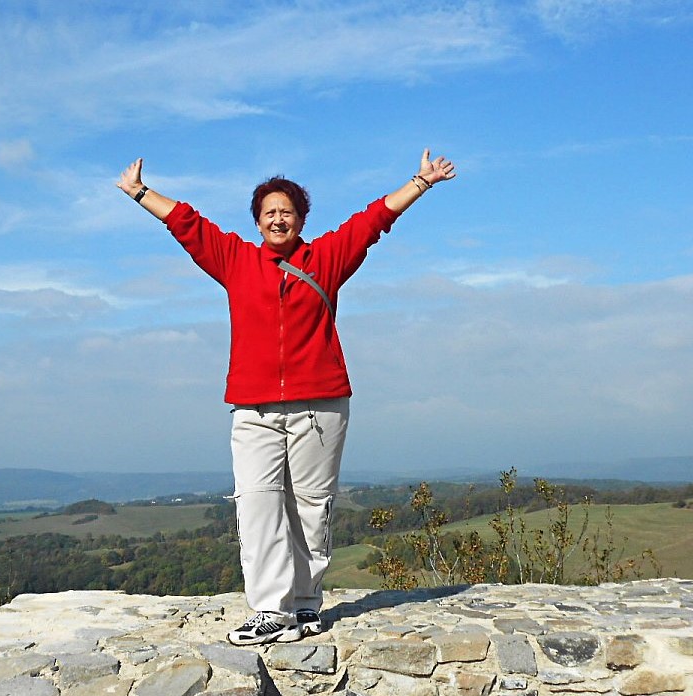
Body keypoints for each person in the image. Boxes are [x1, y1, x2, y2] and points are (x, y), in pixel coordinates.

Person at [116, 149, 456, 645]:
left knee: (310, 507)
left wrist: (420, 183)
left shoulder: (327, 258)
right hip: (253, 407)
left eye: (288, 211)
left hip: (320, 405)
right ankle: (272, 610)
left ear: (301, 220)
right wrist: (141, 192)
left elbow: (373, 221)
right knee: (257, 504)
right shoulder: (235, 260)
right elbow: (189, 225)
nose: (279, 218)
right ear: (258, 221)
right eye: (270, 211)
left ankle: (304, 604)